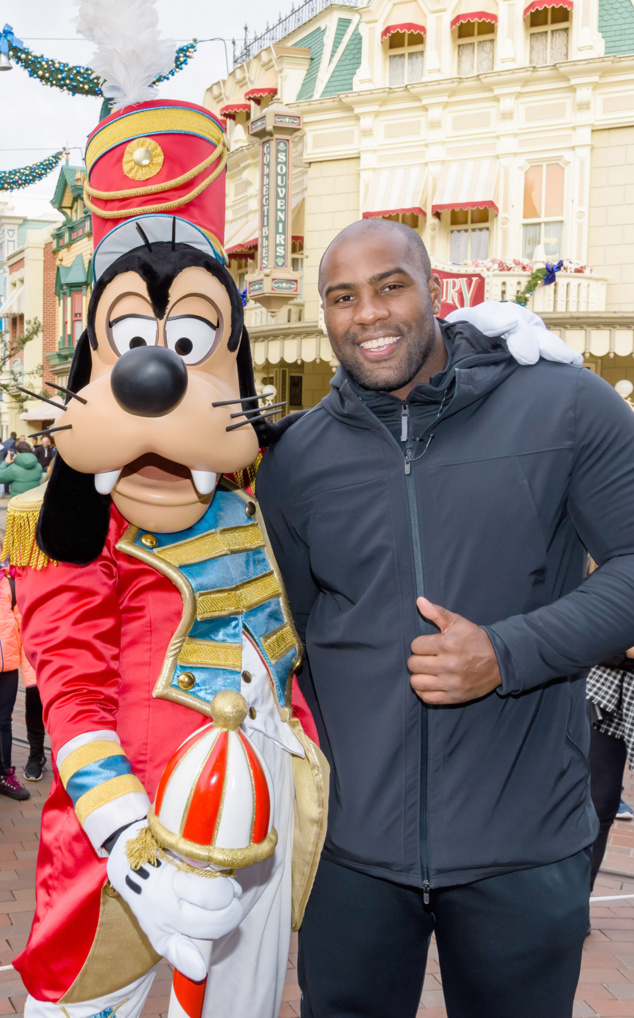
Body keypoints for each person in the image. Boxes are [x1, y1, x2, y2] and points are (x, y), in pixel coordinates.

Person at [256, 218, 634, 1018]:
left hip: (523, 845)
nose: (369, 314)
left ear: (436, 289)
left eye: (391, 285)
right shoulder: (295, 459)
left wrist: (508, 651)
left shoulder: (565, 405)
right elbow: (286, 631)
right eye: (343, 297)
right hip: (351, 856)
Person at [0, 529, 30, 802]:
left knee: (3, 721)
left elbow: (24, 626)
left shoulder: (10, 583)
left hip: (7, 667)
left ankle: (5, 774)